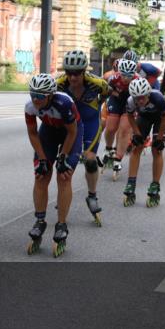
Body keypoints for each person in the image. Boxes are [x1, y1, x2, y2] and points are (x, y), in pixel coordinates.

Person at [24, 73, 81, 257]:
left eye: (40, 96)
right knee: (41, 175)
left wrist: (63, 157)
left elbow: (72, 133)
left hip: (70, 134)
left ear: (50, 95)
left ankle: (61, 225)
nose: (36, 99)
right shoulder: (30, 107)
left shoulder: (64, 103)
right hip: (48, 132)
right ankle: (40, 221)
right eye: (33, 94)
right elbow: (33, 134)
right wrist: (42, 159)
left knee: (64, 176)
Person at [56, 50, 109, 226]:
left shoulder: (96, 83)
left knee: (90, 160)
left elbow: (107, 93)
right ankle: (63, 194)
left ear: (84, 70)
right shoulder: (59, 84)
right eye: (69, 72)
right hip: (71, 125)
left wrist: (98, 107)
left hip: (91, 122)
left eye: (77, 73)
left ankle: (92, 196)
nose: (72, 77)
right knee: (65, 165)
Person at [122, 78, 165, 208]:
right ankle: (131, 183)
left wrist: (159, 138)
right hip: (144, 118)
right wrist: (137, 133)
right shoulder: (131, 101)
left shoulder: (158, 98)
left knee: (156, 149)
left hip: (161, 119)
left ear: (148, 94)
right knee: (136, 147)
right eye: (137, 98)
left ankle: (155, 185)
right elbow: (131, 117)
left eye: (142, 98)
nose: (140, 101)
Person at [101, 58, 140, 178]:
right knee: (111, 127)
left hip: (129, 102)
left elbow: (141, 98)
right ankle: (108, 148)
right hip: (116, 100)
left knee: (124, 130)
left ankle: (118, 159)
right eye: (124, 75)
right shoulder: (113, 78)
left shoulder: (137, 80)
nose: (126, 78)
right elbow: (107, 90)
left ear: (133, 74)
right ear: (119, 72)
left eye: (129, 75)